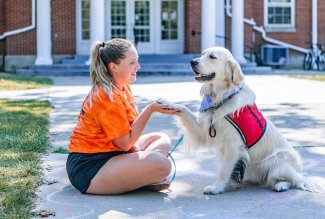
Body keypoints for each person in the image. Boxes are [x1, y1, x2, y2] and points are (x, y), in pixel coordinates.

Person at [66, 38, 179, 195]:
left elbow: (128, 134)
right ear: (114, 67)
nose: (138, 67)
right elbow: (125, 144)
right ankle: (143, 175)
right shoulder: (106, 98)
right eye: (132, 63)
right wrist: (150, 109)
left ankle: (139, 175)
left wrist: (137, 152)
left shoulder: (123, 87)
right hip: (90, 168)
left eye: (137, 61)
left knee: (162, 138)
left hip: (115, 154)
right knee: (163, 165)